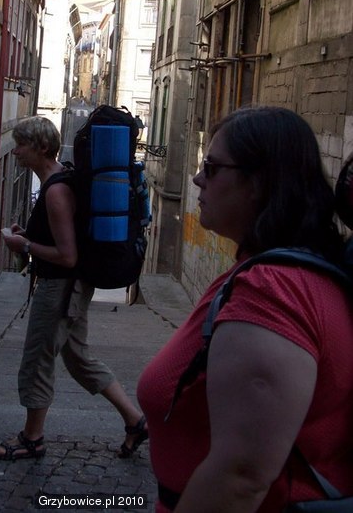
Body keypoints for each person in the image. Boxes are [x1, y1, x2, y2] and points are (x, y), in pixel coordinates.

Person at [137, 105, 353, 512]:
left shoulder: (273, 292)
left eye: (212, 168)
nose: (198, 178)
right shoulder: (268, 271)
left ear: (257, 182)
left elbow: (241, 477)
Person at [0, 116, 148, 460]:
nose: (15, 151)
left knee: (37, 360)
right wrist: (28, 236)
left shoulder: (56, 192)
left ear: (41, 147)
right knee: (78, 359)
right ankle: (135, 420)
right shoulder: (59, 181)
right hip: (72, 286)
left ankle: (32, 438)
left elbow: (67, 255)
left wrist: (24, 246)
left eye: (21, 145)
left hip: (60, 289)